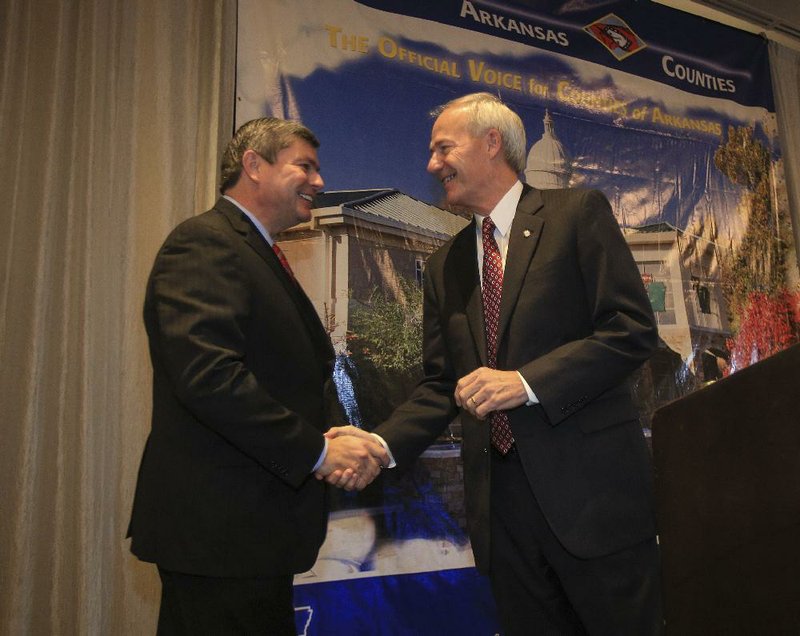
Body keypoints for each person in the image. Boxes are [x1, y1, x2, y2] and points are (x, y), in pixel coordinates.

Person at [325, 93, 663, 634]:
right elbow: (442, 385)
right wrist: (381, 444)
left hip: (593, 504)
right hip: (502, 517)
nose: (432, 165)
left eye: (443, 148)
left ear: (491, 143)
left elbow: (630, 332)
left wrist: (526, 383)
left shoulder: (577, 215)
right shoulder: (444, 264)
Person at [127, 117, 388, 635]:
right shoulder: (205, 243)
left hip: (250, 537)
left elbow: (290, 377)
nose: (318, 182)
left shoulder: (258, 251)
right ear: (253, 165)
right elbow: (209, 377)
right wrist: (316, 451)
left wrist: (337, 437)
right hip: (219, 536)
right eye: (305, 166)